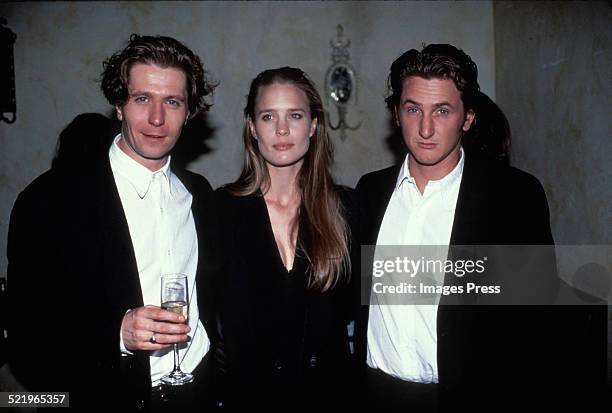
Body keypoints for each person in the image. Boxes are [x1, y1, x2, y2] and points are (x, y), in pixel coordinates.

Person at [354, 44, 605, 412]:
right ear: (396, 114)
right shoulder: (370, 191)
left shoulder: (514, 196)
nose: (425, 128)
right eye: (413, 109)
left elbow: (533, 326)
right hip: (374, 394)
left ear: (468, 117)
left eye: (442, 111)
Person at [7, 34, 221, 410]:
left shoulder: (200, 196)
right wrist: (117, 333)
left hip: (197, 396)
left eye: (172, 101)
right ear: (119, 105)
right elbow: (27, 341)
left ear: (189, 112)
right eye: (142, 99)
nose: (157, 118)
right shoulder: (50, 200)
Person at [208, 67, 358, 412]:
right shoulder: (220, 210)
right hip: (247, 400)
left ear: (314, 124)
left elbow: (368, 308)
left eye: (294, 115)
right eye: (267, 116)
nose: (281, 129)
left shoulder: (348, 208)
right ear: (251, 127)